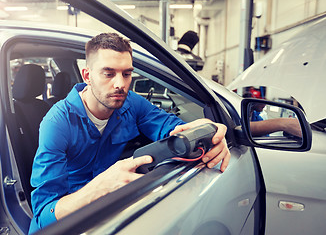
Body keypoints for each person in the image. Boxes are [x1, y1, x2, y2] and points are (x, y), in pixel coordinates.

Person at [29, 33, 230, 233]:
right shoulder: (57, 122)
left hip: (114, 211)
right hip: (74, 220)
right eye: (108, 74)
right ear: (87, 76)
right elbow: (44, 217)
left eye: (126, 74)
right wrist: (101, 186)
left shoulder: (131, 103)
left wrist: (208, 130)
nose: (120, 84)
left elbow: (173, 129)